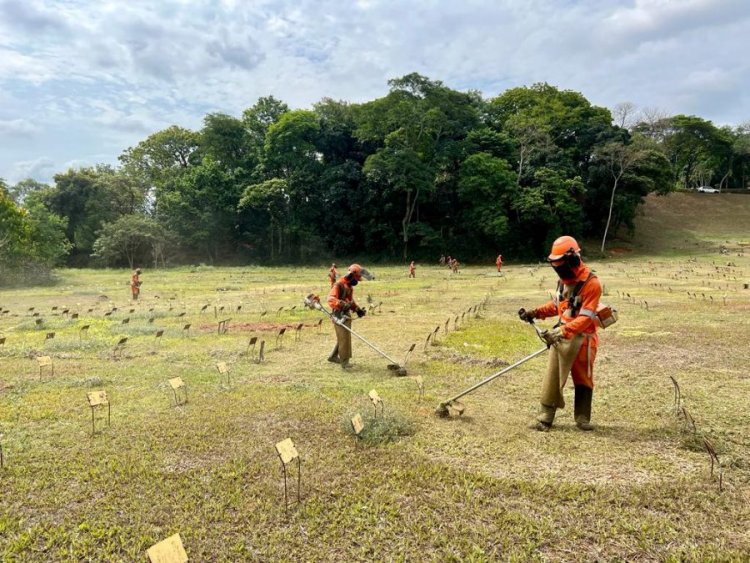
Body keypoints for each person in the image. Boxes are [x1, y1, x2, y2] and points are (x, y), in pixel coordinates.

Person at [518, 236, 602, 431]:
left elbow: (586, 318)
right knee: (553, 376)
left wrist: (563, 331)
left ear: (573, 260)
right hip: (561, 335)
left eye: (561, 265)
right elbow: (556, 305)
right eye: (556, 266)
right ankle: (545, 418)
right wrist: (535, 313)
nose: (559, 270)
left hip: (583, 339)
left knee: (583, 378)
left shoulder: (592, 284)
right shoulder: (562, 282)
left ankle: (582, 418)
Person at [327, 264, 374, 369]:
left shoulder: (349, 286)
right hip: (338, 314)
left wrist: (357, 310)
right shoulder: (339, 284)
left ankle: (333, 356)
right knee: (344, 337)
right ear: (351, 275)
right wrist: (341, 304)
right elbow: (330, 299)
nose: (357, 281)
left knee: (344, 337)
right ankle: (345, 362)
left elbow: (350, 301)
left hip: (346, 314)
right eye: (357, 278)